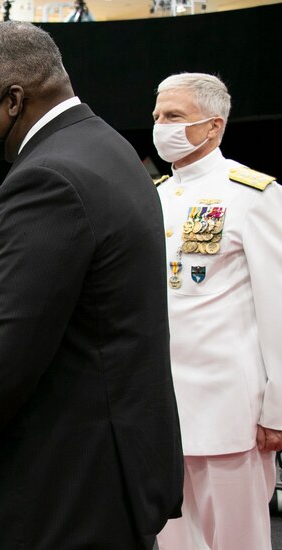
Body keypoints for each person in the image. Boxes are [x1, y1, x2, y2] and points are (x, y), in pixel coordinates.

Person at [0, 22, 183, 549]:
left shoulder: (49, 178)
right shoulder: (102, 145)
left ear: (15, 100)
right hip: (106, 467)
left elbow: (2, 361)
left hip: (69, 489)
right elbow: (69, 295)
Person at [149, 72, 282, 550]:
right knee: (174, 541)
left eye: (175, 116)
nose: (161, 125)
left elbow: (278, 312)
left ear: (214, 126)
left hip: (230, 412)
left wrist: (278, 408)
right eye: (158, 116)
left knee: (237, 541)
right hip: (163, 410)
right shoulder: (155, 197)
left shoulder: (252, 195)